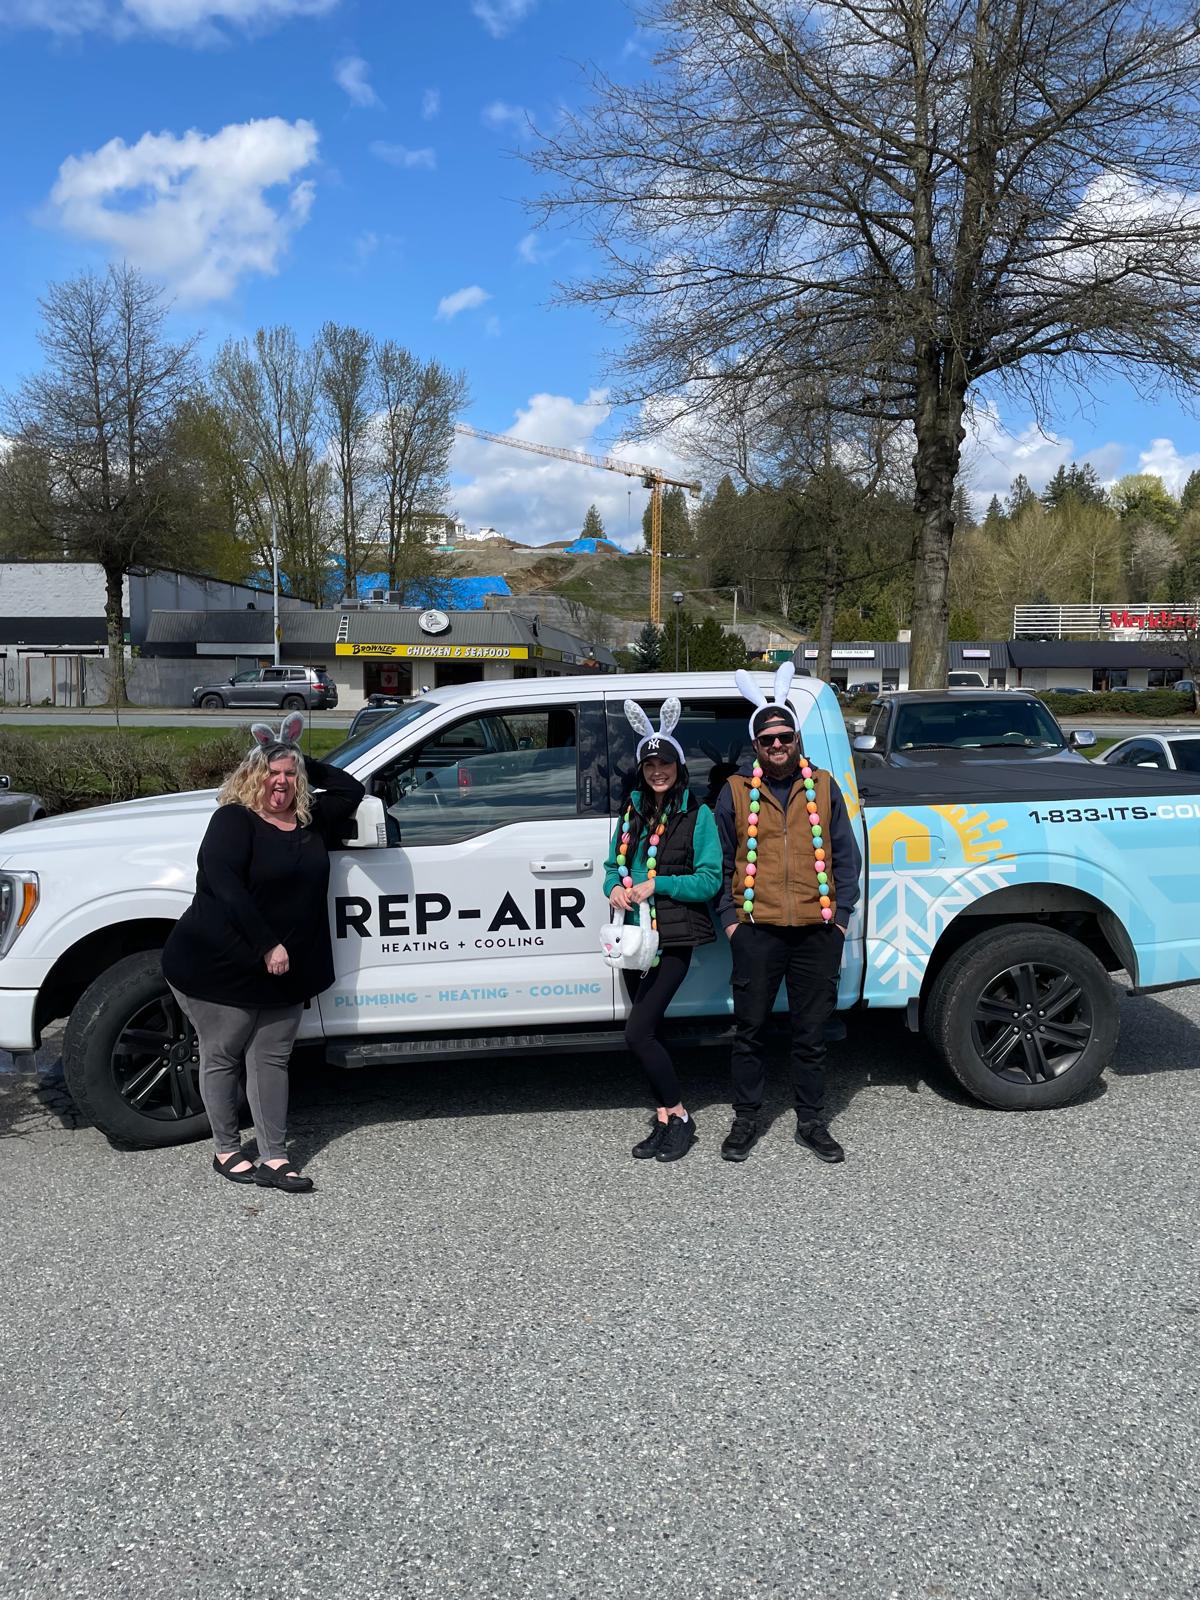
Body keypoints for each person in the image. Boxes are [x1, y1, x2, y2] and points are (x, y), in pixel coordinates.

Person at [161, 715, 365, 1193]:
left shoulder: (311, 820)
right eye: (273, 772)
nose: (282, 782)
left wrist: (296, 756)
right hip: (218, 962)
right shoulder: (233, 820)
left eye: (290, 775)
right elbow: (226, 888)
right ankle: (226, 1150)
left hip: (285, 969)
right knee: (223, 1053)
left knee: (271, 1059)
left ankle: (275, 1157)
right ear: (254, 775)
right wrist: (267, 944)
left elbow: (351, 789)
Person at [714, 665, 862, 1165]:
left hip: (818, 930)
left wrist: (840, 918)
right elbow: (721, 861)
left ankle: (811, 1122)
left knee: (811, 1034)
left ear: (796, 737)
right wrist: (731, 921)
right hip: (756, 931)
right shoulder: (736, 791)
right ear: (756, 744)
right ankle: (746, 1119)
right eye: (767, 739)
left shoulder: (823, 786)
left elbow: (846, 857)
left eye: (784, 736)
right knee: (750, 1031)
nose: (777, 745)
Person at [603, 697, 723, 1162]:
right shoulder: (631, 812)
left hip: (673, 937)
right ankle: (663, 1118)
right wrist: (615, 887)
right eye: (650, 765)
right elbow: (611, 867)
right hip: (633, 940)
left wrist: (659, 883)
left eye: (665, 764)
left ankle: (682, 1116)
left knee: (637, 1034)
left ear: (678, 767)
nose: (658, 772)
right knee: (650, 1031)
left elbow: (710, 879)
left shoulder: (698, 815)